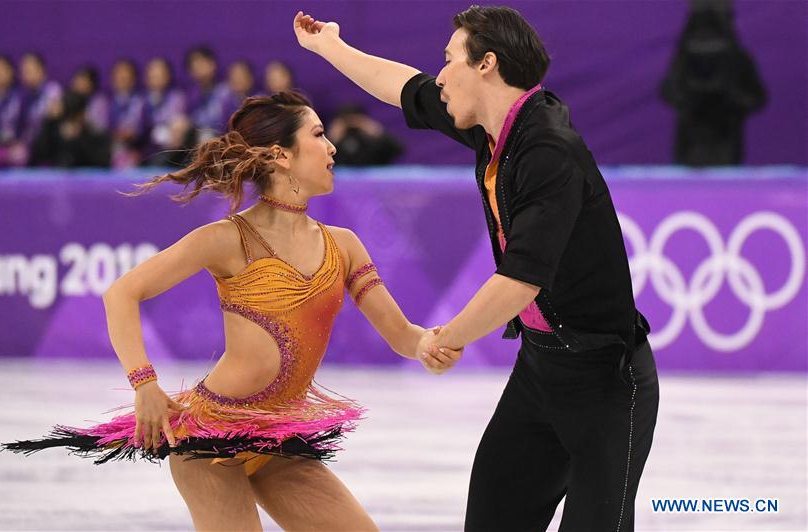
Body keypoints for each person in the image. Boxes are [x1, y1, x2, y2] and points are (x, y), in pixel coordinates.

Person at [1, 90, 461, 530]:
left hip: (280, 440)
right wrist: (144, 384)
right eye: (319, 135)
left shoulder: (344, 245)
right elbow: (121, 294)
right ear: (281, 156)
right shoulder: (227, 238)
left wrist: (426, 344)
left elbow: (402, 334)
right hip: (207, 439)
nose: (332, 147)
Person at [294, 6, 658, 531]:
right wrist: (329, 47)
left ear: (486, 64)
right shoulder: (494, 128)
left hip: (605, 381)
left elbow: (518, 281)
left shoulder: (549, 151)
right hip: (541, 370)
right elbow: (404, 87)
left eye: (449, 60)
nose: (439, 75)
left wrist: (445, 338)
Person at [660, 0, 766, 166]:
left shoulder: (736, 58)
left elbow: (757, 98)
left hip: (724, 141)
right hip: (693, 143)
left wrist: (731, 100)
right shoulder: (686, 57)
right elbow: (668, 91)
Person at [29, 91, 111, 168]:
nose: (70, 123)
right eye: (66, 118)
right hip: (58, 180)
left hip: (89, 181)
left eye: (73, 117)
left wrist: (78, 139)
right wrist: (49, 122)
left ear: (83, 114)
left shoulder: (96, 134)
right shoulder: (55, 130)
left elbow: (103, 163)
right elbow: (40, 154)